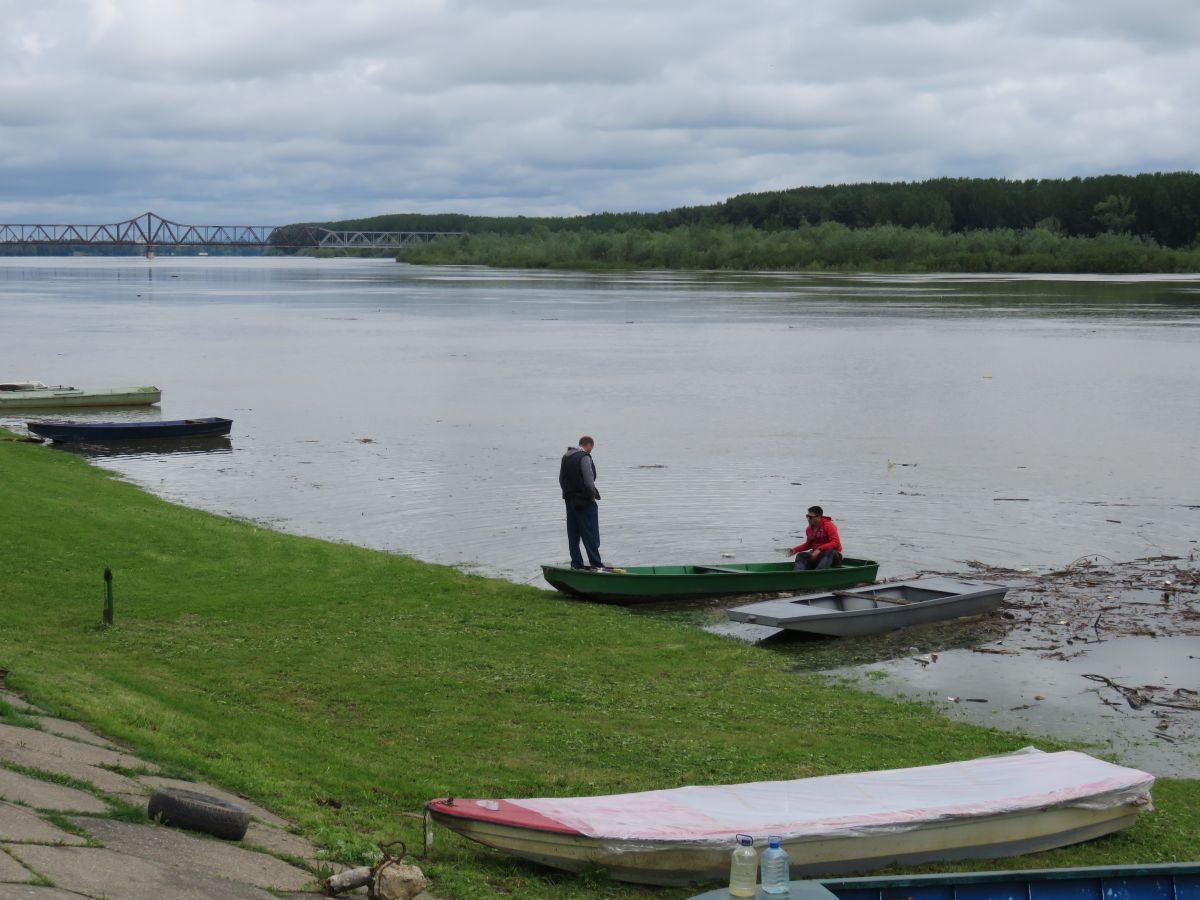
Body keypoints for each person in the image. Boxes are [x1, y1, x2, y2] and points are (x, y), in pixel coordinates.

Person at [559, 436, 604, 570]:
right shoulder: (584, 457)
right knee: (590, 532)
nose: (591, 451)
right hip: (584, 501)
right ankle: (595, 564)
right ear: (588, 445)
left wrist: (567, 495)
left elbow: (561, 479)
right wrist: (592, 496)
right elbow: (589, 481)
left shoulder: (566, 456)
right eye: (591, 448)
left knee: (573, 534)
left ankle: (576, 564)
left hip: (569, 500)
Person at [788, 505, 842, 570]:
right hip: (817, 556)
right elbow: (808, 545)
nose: (808, 519)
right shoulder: (809, 529)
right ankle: (798, 574)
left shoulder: (829, 526)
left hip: (833, 557)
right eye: (807, 516)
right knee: (801, 555)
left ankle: (819, 574)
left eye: (810, 517)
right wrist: (795, 550)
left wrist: (819, 549)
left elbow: (835, 542)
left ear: (819, 517)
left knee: (830, 551)